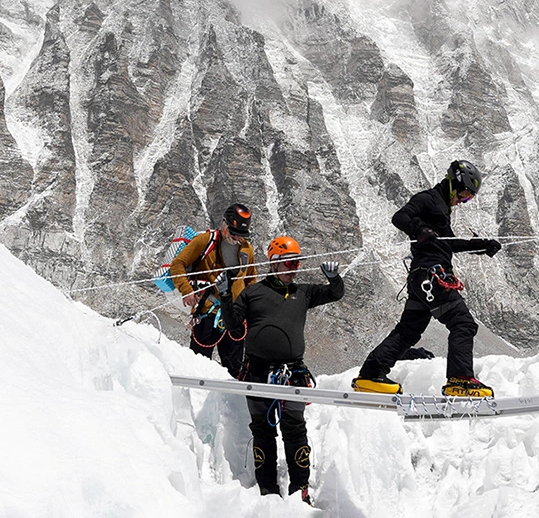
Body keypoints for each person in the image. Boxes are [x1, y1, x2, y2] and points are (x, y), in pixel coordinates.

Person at [352, 160, 502, 397]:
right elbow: (400, 217)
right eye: (463, 195)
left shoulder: (442, 208)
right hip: (431, 275)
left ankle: (371, 374)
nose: (462, 202)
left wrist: (482, 245)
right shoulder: (428, 199)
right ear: (454, 183)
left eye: (468, 199)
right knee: (463, 323)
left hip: (421, 279)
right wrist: (419, 230)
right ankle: (461, 379)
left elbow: (449, 243)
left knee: (409, 331)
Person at [215, 236, 343, 505]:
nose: (293, 268)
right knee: (262, 431)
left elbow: (335, 294)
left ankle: (300, 489)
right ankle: (267, 490)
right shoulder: (252, 293)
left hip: (293, 372)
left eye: (296, 263)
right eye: (288, 263)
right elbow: (235, 329)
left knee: (295, 429)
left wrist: (334, 279)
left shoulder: (303, 293)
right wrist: (226, 296)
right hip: (258, 372)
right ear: (273, 264)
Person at [169, 203, 258, 373]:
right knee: (198, 365)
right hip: (208, 313)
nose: (237, 238)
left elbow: (250, 280)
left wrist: (251, 306)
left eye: (241, 235)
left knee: (234, 370)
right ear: (225, 224)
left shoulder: (247, 250)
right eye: (233, 233)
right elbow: (178, 264)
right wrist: (187, 290)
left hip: (236, 316)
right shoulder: (205, 241)